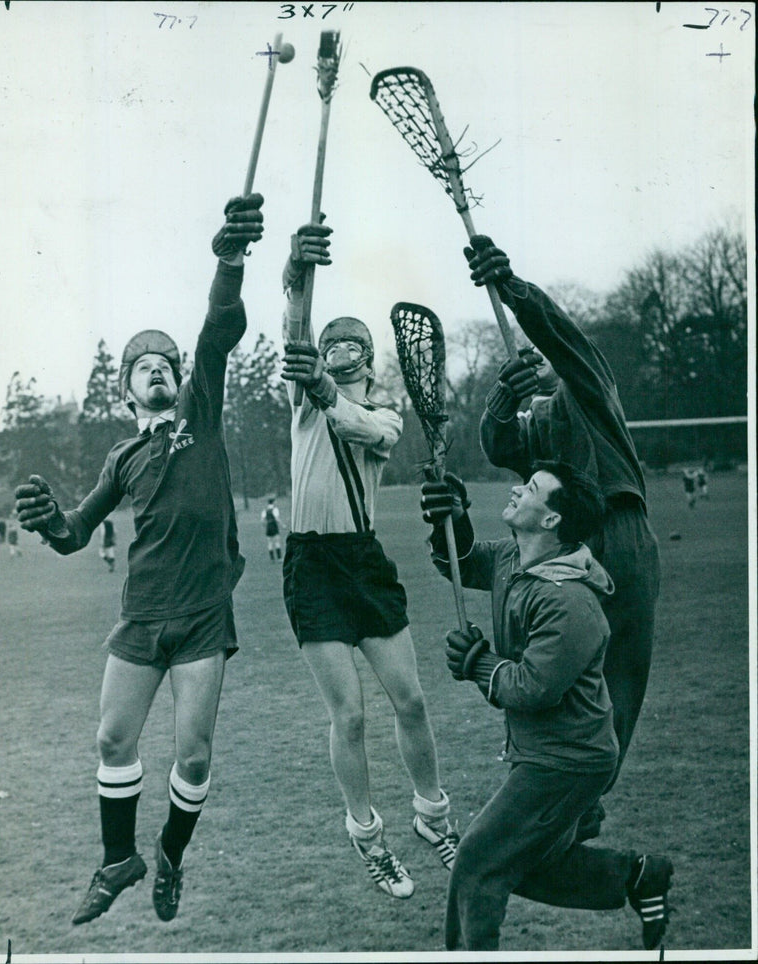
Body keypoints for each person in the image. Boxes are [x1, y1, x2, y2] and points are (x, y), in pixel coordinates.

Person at [13, 193, 264, 925]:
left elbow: (218, 331)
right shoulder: (122, 457)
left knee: (192, 758)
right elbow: (75, 534)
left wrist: (229, 260)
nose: (157, 371)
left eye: (166, 364)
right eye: (142, 367)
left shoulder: (201, 415)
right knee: (112, 739)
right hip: (140, 618)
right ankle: (117, 859)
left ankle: (171, 857)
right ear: (125, 392)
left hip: (199, 617)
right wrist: (51, 521)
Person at [420, 461, 673, 952]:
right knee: (523, 864)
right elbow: (466, 561)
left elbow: (532, 689)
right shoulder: (515, 562)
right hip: (549, 753)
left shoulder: (570, 602)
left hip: (569, 762)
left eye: (531, 487)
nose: (517, 488)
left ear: (553, 520)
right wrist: (449, 520)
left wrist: (478, 663)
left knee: (476, 864)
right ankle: (637, 876)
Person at [279, 219, 458, 899]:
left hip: (364, 561)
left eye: (351, 341)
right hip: (312, 566)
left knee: (409, 700)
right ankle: (367, 836)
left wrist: (329, 391)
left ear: (369, 356)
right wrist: (297, 271)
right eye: (331, 343)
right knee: (348, 716)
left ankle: (433, 816)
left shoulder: (384, 411)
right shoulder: (303, 394)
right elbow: (296, 322)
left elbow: (358, 427)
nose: (339, 346)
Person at [465, 237, 661, 841]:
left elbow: (566, 342)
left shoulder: (590, 391)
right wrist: (504, 393)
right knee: (561, 669)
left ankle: (587, 800)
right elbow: (498, 445)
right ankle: (568, 789)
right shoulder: (541, 424)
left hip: (619, 534)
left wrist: (512, 289)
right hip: (566, 546)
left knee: (621, 676)